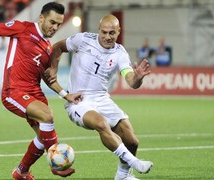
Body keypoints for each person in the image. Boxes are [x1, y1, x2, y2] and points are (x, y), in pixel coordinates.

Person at [0, 2, 82, 180]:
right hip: (15, 91)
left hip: (36, 94)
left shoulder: (48, 47)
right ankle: (55, 165)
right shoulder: (23, 28)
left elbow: (47, 78)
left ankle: (21, 171)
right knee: (47, 116)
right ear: (41, 18)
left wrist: (66, 94)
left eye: (58, 24)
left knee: (43, 137)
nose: (55, 27)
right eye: (52, 22)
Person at [44, 14, 153, 180]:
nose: (107, 37)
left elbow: (131, 81)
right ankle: (135, 162)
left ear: (118, 32)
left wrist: (137, 78)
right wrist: (53, 68)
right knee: (101, 123)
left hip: (102, 99)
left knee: (132, 141)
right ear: (98, 30)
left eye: (112, 33)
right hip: (78, 101)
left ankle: (122, 176)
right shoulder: (82, 40)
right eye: (104, 32)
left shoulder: (120, 53)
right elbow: (58, 47)